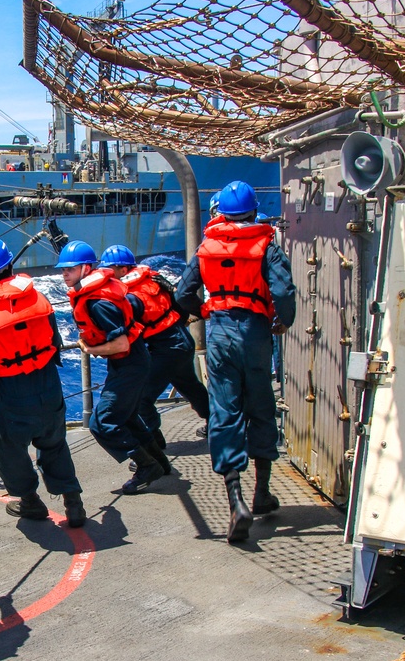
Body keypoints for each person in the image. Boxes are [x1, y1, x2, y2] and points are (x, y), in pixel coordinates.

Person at [175, 181, 296, 544]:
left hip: (220, 334)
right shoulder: (267, 247)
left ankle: (236, 501)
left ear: (222, 212)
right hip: (255, 333)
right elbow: (284, 292)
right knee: (260, 406)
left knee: (225, 413)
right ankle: (262, 492)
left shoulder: (206, 247)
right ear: (253, 210)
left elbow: (183, 293)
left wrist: (206, 312)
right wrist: (282, 321)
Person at [0, 236, 86, 527]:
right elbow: (55, 342)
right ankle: (74, 503)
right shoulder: (39, 299)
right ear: (10, 265)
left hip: (12, 390)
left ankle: (30, 502)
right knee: (54, 443)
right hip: (48, 382)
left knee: (10, 451)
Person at [56, 240, 169, 494]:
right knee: (127, 416)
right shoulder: (97, 294)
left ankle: (146, 465)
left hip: (129, 363)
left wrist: (90, 349)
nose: (64, 273)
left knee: (103, 421)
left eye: (70, 269)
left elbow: (119, 343)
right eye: (62, 269)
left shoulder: (98, 303)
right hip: (132, 362)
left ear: (86, 269)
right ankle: (160, 463)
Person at [98, 244, 210, 452]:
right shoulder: (153, 280)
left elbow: (130, 327)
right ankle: (215, 424)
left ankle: (154, 445)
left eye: (109, 269)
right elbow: (178, 305)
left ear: (123, 270)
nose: (105, 273)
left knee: (142, 399)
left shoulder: (131, 296)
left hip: (166, 349)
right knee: (191, 386)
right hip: (181, 341)